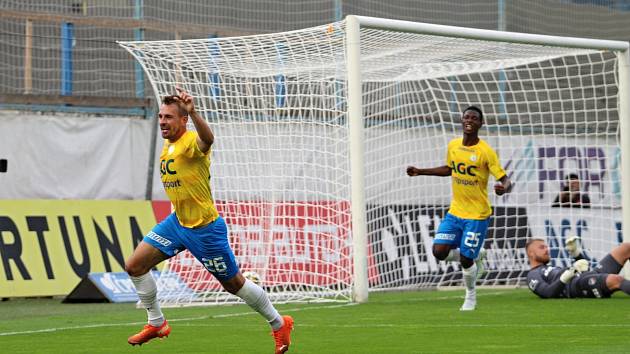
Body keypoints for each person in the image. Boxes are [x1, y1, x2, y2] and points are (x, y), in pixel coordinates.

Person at [125, 88, 294, 354]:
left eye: (168, 117)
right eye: (160, 116)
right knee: (135, 266)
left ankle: (279, 322)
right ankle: (157, 323)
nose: (162, 122)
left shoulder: (192, 142)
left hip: (205, 230)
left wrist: (193, 111)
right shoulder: (169, 144)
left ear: (183, 120)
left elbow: (208, 139)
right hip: (177, 224)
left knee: (233, 285)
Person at [406, 106, 512, 311]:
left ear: (481, 123)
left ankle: (470, 296)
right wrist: (421, 171)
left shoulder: (486, 152)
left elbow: (505, 179)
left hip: (477, 215)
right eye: (466, 117)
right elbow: (449, 169)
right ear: (462, 121)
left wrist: (503, 189)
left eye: (474, 118)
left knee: (465, 259)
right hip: (455, 212)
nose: (469, 120)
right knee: (439, 251)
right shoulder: (454, 145)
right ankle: (475, 255)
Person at [526, 236, 630, 299]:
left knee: (626, 248)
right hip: (579, 287)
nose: (546, 250)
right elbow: (548, 293)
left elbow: (584, 271)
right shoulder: (533, 275)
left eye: (546, 247)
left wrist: (576, 255)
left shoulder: (550, 267)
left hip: (587, 276)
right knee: (616, 280)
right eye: (541, 247)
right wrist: (565, 277)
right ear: (531, 253)